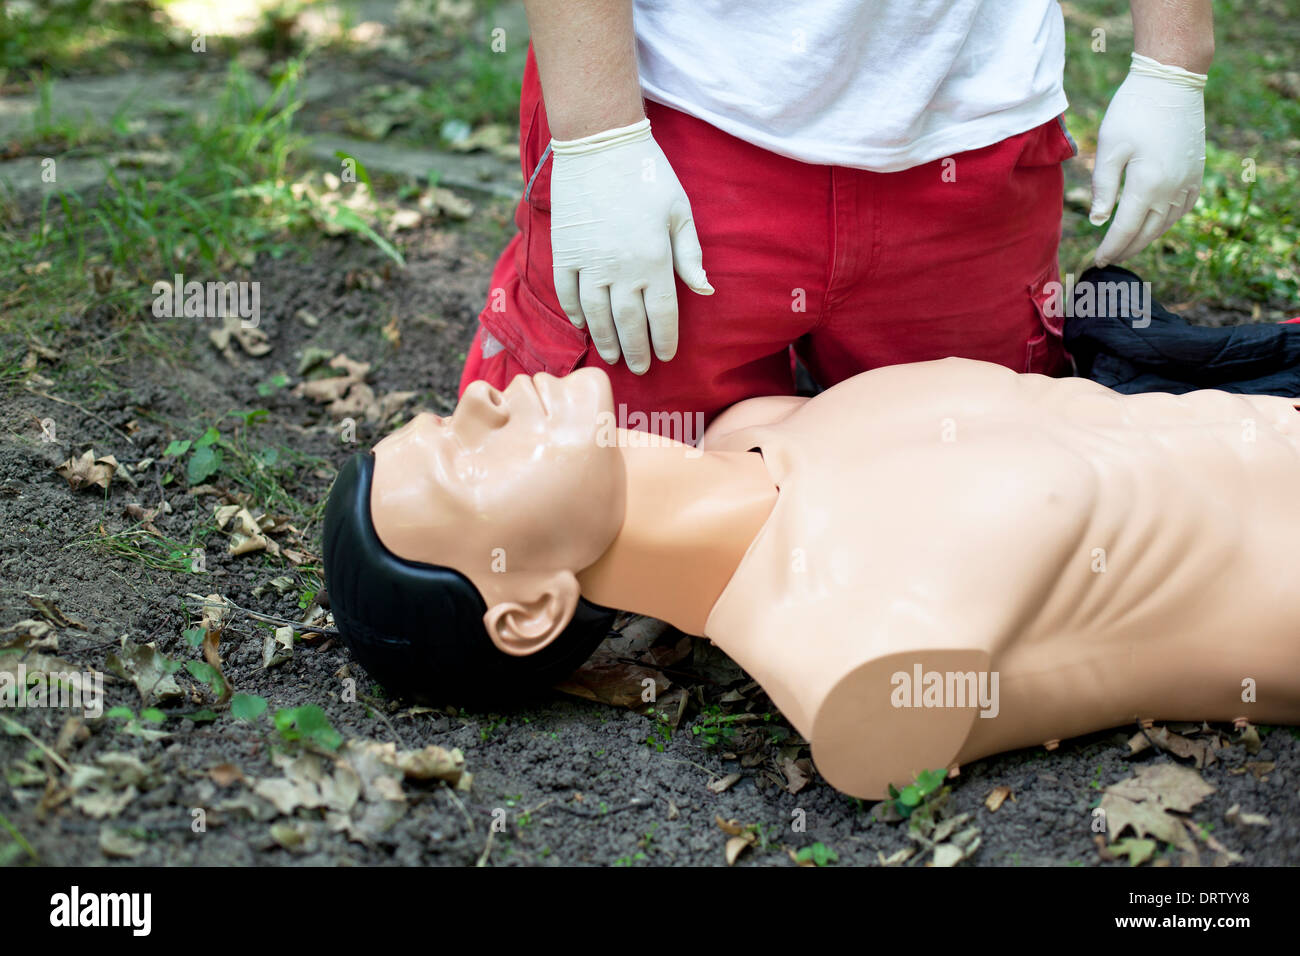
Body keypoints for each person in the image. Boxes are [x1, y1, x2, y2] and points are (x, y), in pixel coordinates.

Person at [324, 359, 1300, 798]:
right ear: (530, 606)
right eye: (462, 454)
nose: (483, 399)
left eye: (447, 414)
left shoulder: (761, 422)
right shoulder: (851, 662)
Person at [458, 0, 1213, 435]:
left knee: (977, 483)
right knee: (571, 483)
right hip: (684, 114)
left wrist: (1173, 63)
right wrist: (600, 139)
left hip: (964, 130)